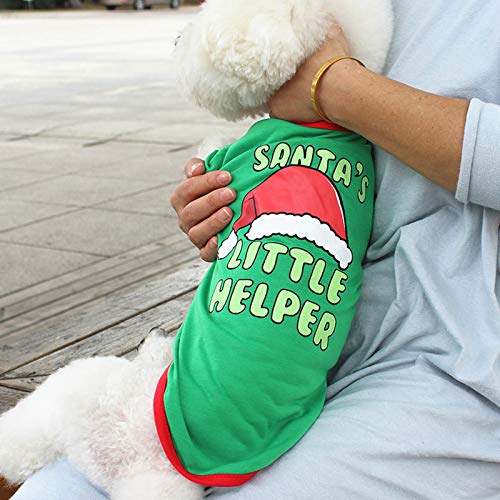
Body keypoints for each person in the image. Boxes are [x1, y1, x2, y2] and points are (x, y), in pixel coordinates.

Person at [12, 1, 500, 498]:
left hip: (458, 363)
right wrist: (231, 200)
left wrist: (330, 82)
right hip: (306, 340)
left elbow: (321, 92)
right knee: (57, 489)